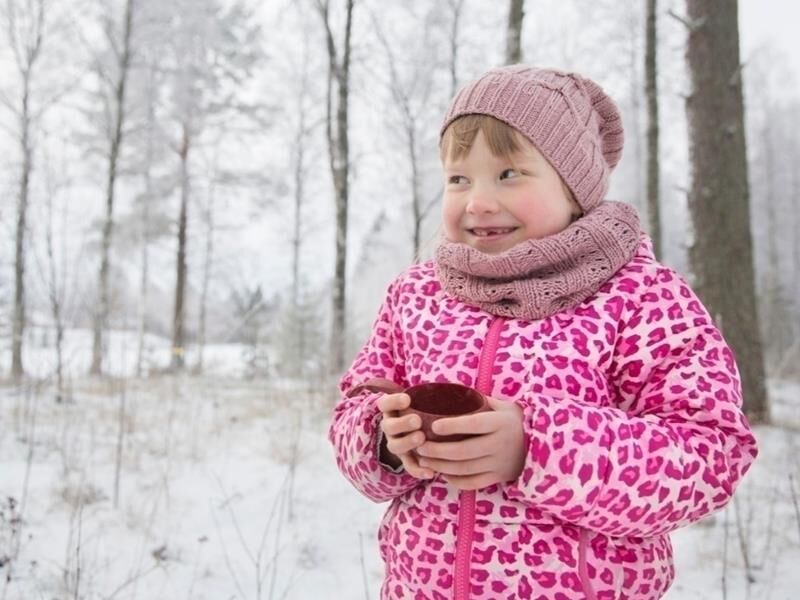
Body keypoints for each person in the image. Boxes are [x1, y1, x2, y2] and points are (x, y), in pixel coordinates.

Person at [329, 65, 758, 600]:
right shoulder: (417, 295)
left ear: (574, 187)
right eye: (459, 178)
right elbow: (353, 409)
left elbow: (709, 454)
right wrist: (387, 442)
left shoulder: (642, 298)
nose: (478, 200)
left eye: (509, 174)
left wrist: (539, 447)